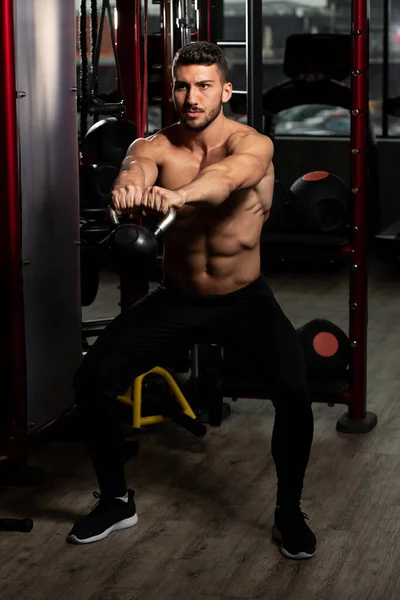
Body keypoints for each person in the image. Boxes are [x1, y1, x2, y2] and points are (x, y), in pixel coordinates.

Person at [68, 41, 316, 560]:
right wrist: (127, 190)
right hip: (179, 298)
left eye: (204, 85)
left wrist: (179, 197)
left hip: (244, 299)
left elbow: (226, 179)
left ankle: (288, 511)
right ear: (172, 90)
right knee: (92, 379)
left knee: (294, 388)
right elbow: (134, 168)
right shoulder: (155, 145)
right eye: (182, 86)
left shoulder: (255, 145)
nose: (192, 96)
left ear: (226, 90)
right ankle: (116, 499)